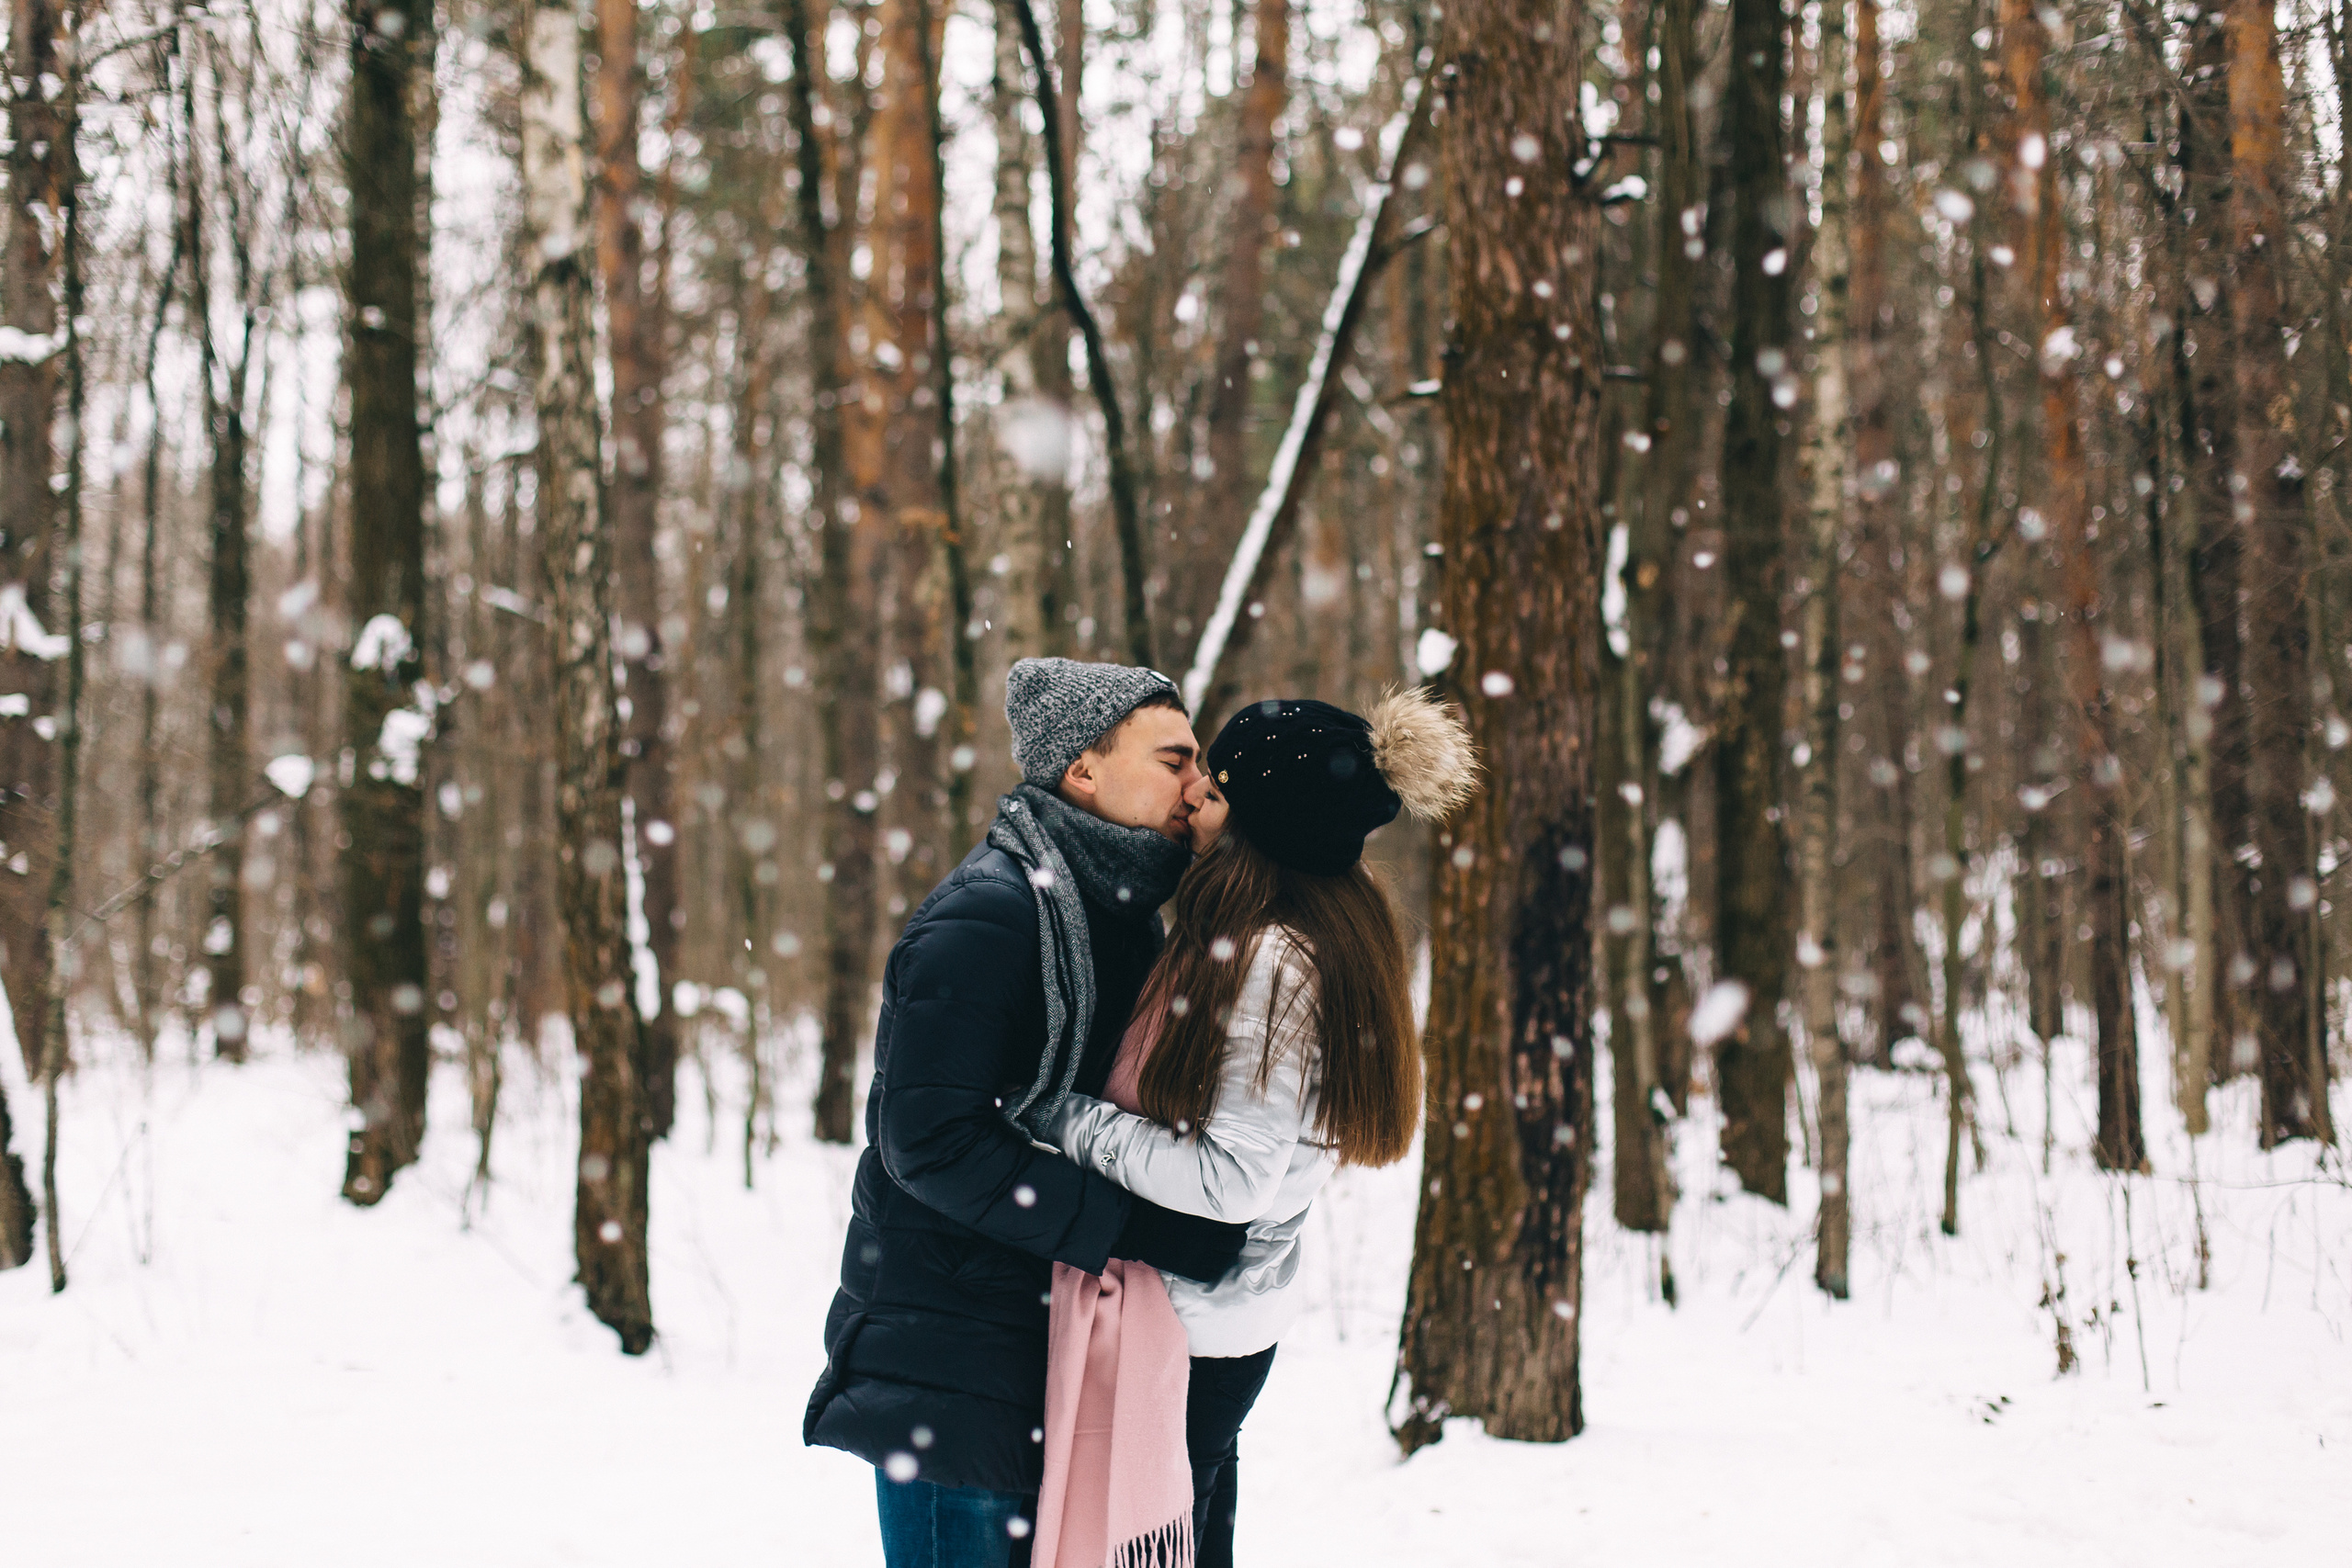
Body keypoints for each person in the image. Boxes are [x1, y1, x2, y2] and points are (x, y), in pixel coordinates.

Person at [805, 658, 1259, 1568]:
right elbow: (929, 1141)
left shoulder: (1124, 916)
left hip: (1054, 1349)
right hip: (957, 1369)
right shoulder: (988, 918)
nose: (1198, 782)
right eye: (1174, 758)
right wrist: (1139, 1228)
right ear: (1083, 770)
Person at [1029, 691, 1477, 1568]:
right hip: (1219, 1321)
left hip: (1190, 1331)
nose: (1193, 794)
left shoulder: (1273, 958)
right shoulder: (1299, 933)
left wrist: (1068, 1120)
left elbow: (1230, 1180)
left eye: (1219, 790)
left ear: (1262, 827)